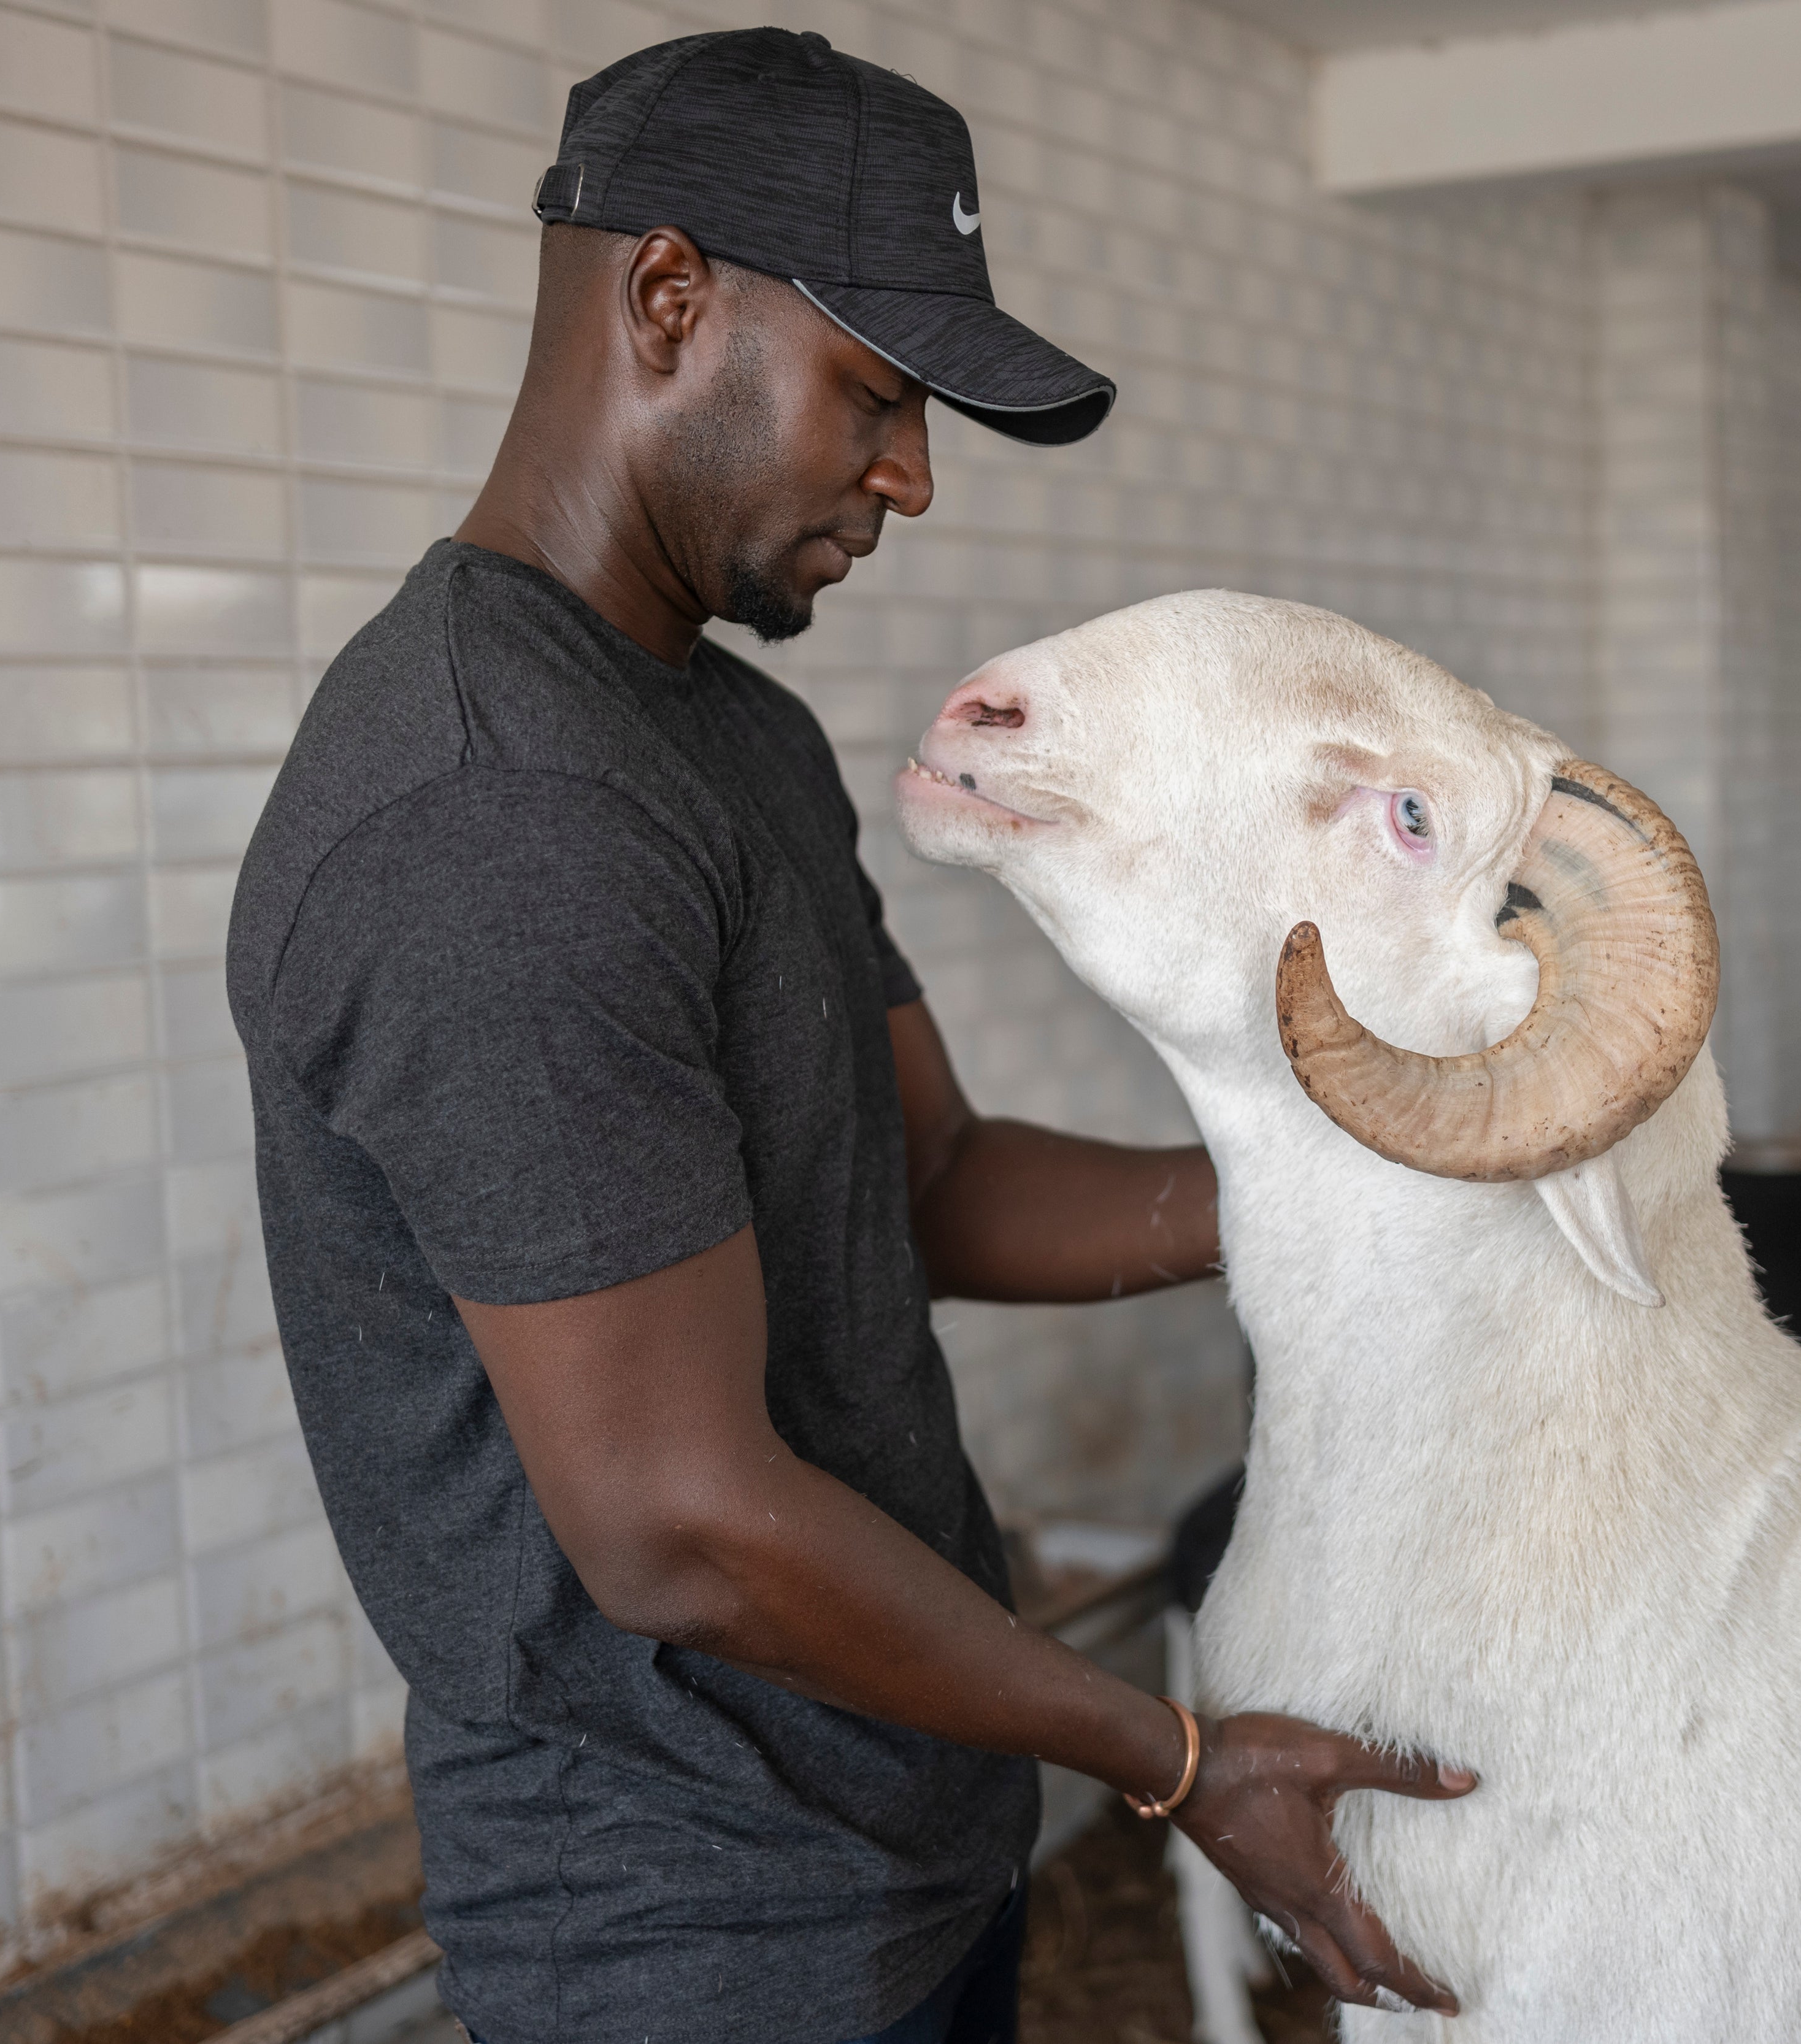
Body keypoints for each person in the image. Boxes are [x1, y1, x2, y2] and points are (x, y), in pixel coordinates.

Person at [226, 30, 1470, 2044]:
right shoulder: (489, 813)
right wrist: (1170, 1754)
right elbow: (682, 1524)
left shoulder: (729, 736)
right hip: (694, 1947)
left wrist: (1341, 1182)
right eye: (878, 394)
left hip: (899, 1852)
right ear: (665, 296)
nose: (909, 471)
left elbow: (936, 1180)